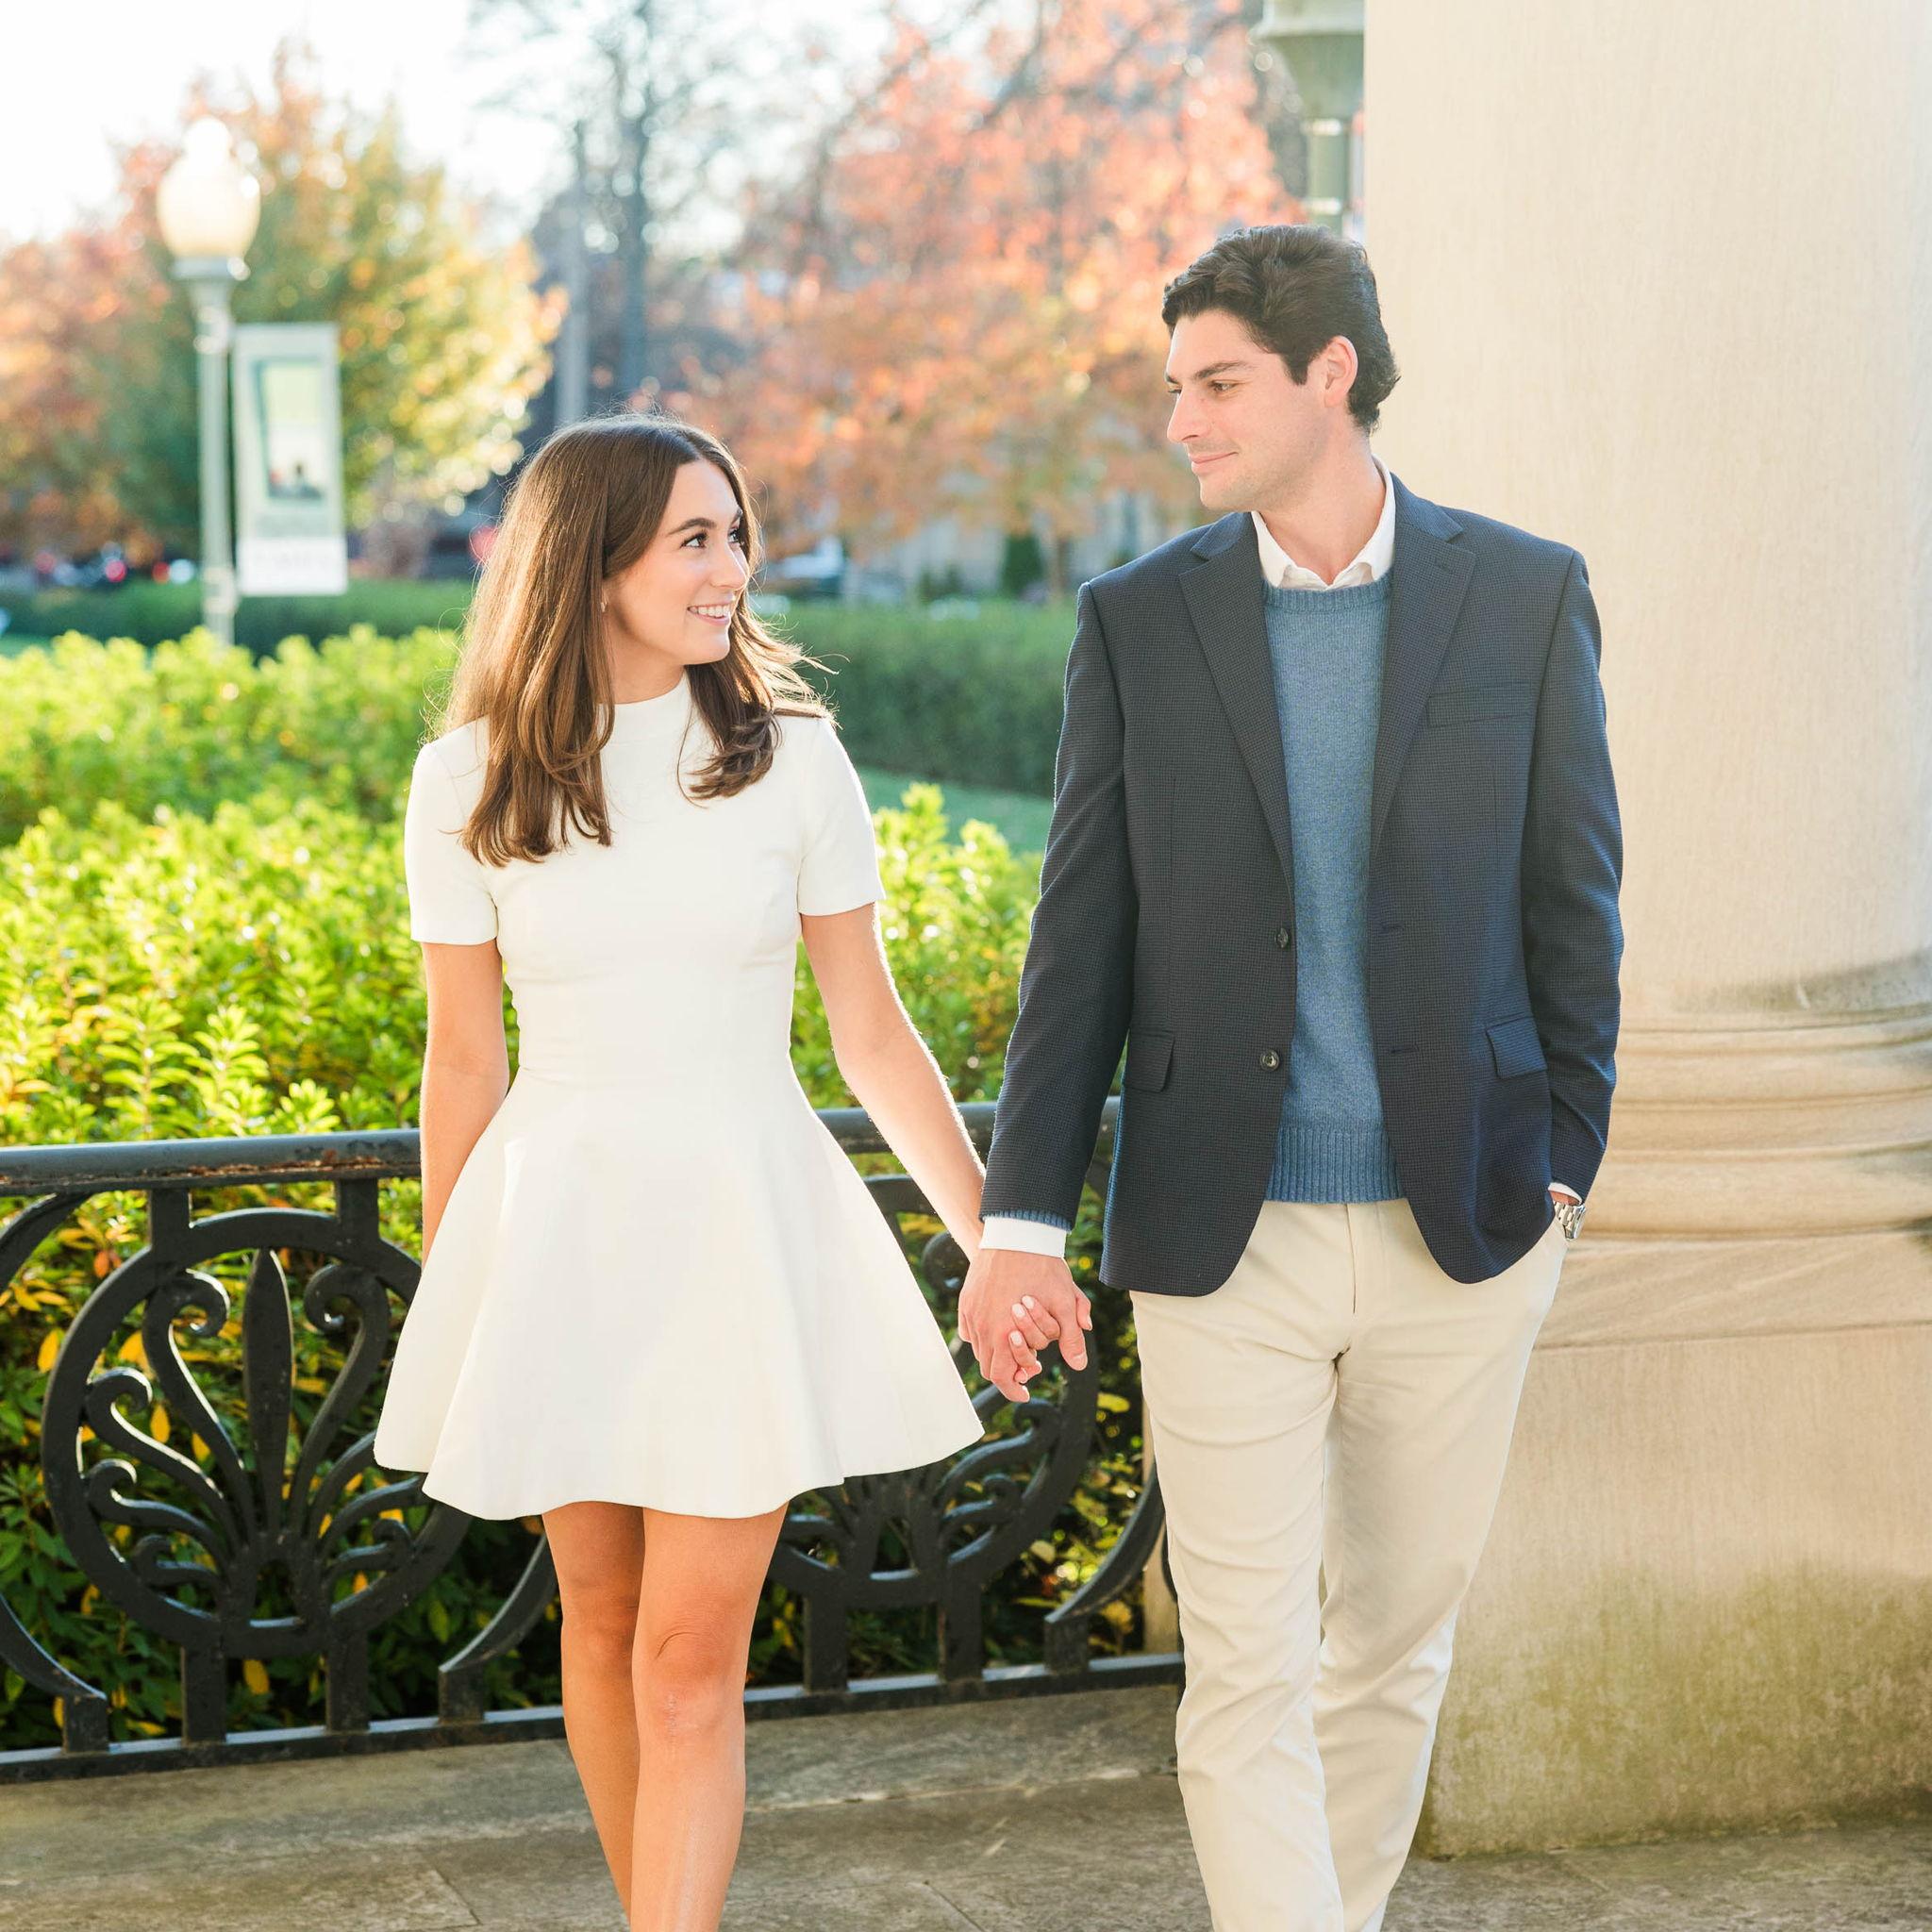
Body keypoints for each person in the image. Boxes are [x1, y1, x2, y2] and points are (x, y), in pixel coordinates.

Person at [958, 224, 1624, 1932]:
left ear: (1332, 373)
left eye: (1218, 382)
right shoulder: (1139, 621)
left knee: (1393, 1649)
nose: (1182, 418)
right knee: (1245, 1665)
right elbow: (1080, 936)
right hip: (1222, 1230)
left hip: (1464, 1219)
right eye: (1177, 385)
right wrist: (1021, 1221)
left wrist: (1567, 1163)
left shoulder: (1523, 594)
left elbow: (1576, 904)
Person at [372, 414, 996, 1931]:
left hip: (736, 1230)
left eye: (736, 535)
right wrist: (462, 1292)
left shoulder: (795, 763)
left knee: (686, 1659)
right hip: (559, 1236)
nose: (734, 570)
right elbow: (464, 1063)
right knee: (599, 1627)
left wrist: (999, 1240)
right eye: (694, 540)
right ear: (593, 566)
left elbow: (871, 1035)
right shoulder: (465, 779)